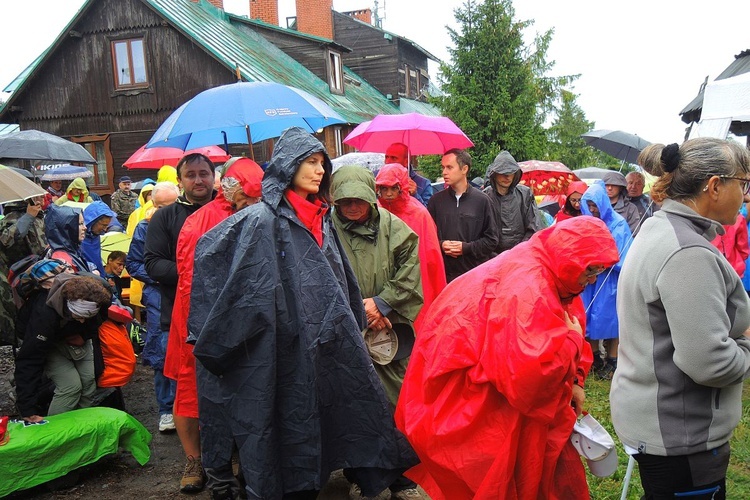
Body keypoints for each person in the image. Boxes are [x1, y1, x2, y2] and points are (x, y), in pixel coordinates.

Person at [188, 127, 417, 500]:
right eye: (310, 162)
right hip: (279, 344)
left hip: (322, 339)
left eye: (321, 164)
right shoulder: (263, 221)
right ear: (287, 166)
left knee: (338, 406)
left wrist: (346, 321)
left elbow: (334, 278)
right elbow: (236, 275)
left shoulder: (321, 217)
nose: (319, 171)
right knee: (283, 417)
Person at [395, 217, 620, 499]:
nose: (593, 279)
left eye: (598, 270)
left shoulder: (545, 263)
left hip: (473, 389)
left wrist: (575, 377)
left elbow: (565, 319)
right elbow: (530, 379)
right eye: (590, 270)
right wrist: (573, 343)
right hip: (478, 405)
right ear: (572, 260)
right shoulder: (529, 288)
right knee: (506, 481)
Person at [611, 139, 750, 499]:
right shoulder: (688, 251)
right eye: (743, 183)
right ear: (715, 186)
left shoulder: (661, 228)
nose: (746, 194)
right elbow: (709, 362)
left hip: (660, 420)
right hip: (682, 436)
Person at [167, 157, 263, 500]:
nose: (254, 205)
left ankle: (240, 467)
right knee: (196, 391)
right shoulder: (201, 222)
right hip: (205, 323)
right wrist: (209, 330)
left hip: (244, 323)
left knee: (244, 393)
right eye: (249, 198)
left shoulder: (255, 212)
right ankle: (200, 464)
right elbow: (195, 284)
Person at [331, 164, 423, 500]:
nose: (352, 206)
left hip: (389, 332)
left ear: (371, 198)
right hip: (345, 332)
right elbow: (319, 278)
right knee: (354, 405)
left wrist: (384, 304)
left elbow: (411, 273)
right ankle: (361, 476)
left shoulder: (396, 229)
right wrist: (360, 310)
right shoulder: (325, 230)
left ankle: (401, 478)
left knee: (394, 404)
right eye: (344, 201)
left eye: (359, 199)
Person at [145, 154, 217, 493]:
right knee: (187, 389)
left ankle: (226, 453)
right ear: (180, 181)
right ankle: (194, 459)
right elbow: (152, 264)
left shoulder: (228, 212)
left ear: (215, 177)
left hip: (223, 315)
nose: (198, 180)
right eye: (191, 175)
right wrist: (196, 271)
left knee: (226, 386)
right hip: (180, 314)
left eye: (204, 173)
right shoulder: (165, 218)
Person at [126, 182, 180, 435]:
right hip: (158, 296)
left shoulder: (188, 223)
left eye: (170, 206)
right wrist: (158, 277)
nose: (164, 211)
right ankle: (166, 409)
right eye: (160, 206)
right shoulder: (144, 227)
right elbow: (133, 263)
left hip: (185, 293)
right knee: (162, 350)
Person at [375, 163, 447, 331]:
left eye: (393, 188)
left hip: (417, 278)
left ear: (402, 187)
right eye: (384, 188)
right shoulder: (376, 212)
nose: (388, 193)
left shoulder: (418, 213)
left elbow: (431, 255)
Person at [580, 182, 632, 379]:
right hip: (591, 278)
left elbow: (621, 254)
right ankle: (593, 357)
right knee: (589, 317)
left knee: (610, 319)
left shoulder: (618, 223)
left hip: (609, 279)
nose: (593, 209)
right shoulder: (587, 221)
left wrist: (599, 263)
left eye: (595, 205)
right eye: (589, 205)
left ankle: (612, 359)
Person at [427, 148, 498, 282]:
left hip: (474, 277)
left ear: (464, 169)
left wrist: (466, 248)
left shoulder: (482, 201)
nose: (444, 172)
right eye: (443, 167)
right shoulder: (436, 201)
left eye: (449, 167)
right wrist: (441, 244)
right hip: (443, 276)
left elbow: (492, 241)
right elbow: (427, 238)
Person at [482, 150, 538, 253]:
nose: (507, 177)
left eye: (511, 173)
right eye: (503, 173)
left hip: (522, 255)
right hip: (493, 259)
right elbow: (481, 233)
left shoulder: (525, 194)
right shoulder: (484, 197)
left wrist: (518, 252)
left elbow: (534, 228)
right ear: (494, 174)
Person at [0, 196, 47, 269]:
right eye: (38, 196)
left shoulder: (39, 215)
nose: (43, 197)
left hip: (42, 268)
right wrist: (28, 217)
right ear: (29, 199)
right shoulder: (12, 216)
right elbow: (5, 240)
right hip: (21, 270)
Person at [44, 205, 91, 273]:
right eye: (80, 224)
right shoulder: (62, 259)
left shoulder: (72, 250)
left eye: (83, 223)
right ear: (66, 228)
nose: (85, 227)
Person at [384, 142, 433, 207]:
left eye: (393, 158)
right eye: (386, 157)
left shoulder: (423, 184)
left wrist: (415, 195)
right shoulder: (378, 180)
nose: (388, 162)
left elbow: (428, 213)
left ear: (406, 162)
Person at [81, 201, 116, 276]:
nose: (105, 229)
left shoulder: (95, 236)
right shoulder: (78, 237)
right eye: (103, 225)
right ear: (92, 221)